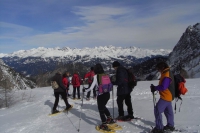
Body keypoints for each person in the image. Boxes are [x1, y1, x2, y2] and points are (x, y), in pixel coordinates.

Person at [82, 63, 115, 131]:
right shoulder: (106, 75)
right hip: (107, 94)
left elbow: (91, 88)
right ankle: (110, 118)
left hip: (101, 95)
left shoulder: (96, 77)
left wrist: (85, 90)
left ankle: (104, 124)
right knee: (103, 107)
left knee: (101, 110)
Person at [150, 62, 175, 133]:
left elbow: (164, 87)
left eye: (158, 69)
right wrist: (156, 87)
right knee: (168, 111)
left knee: (157, 110)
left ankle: (159, 128)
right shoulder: (166, 72)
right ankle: (170, 125)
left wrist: (155, 88)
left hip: (166, 96)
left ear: (161, 68)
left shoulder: (166, 75)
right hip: (169, 96)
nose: (158, 70)